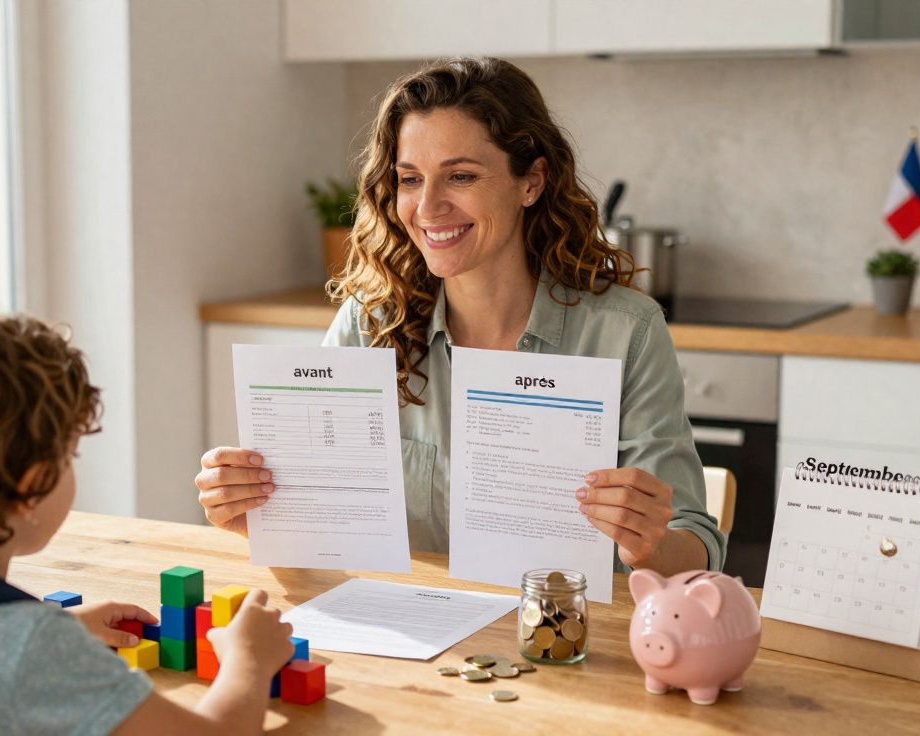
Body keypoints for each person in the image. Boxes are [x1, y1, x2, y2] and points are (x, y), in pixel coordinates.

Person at [196, 57, 723, 576]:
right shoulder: (370, 324)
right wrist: (263, 517)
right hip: (411, 640)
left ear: (531, 182)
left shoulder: (626, 332)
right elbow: (322, 540)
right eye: (409, 179)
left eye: (461, 176)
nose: (427, 207)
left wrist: (649, 543)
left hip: (565, 641)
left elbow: (695, 548)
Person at [0, 313, 293, 735]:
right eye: (70, 454)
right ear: (31, 487)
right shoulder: (34, 650)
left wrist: (53, 628)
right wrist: (248, 661)